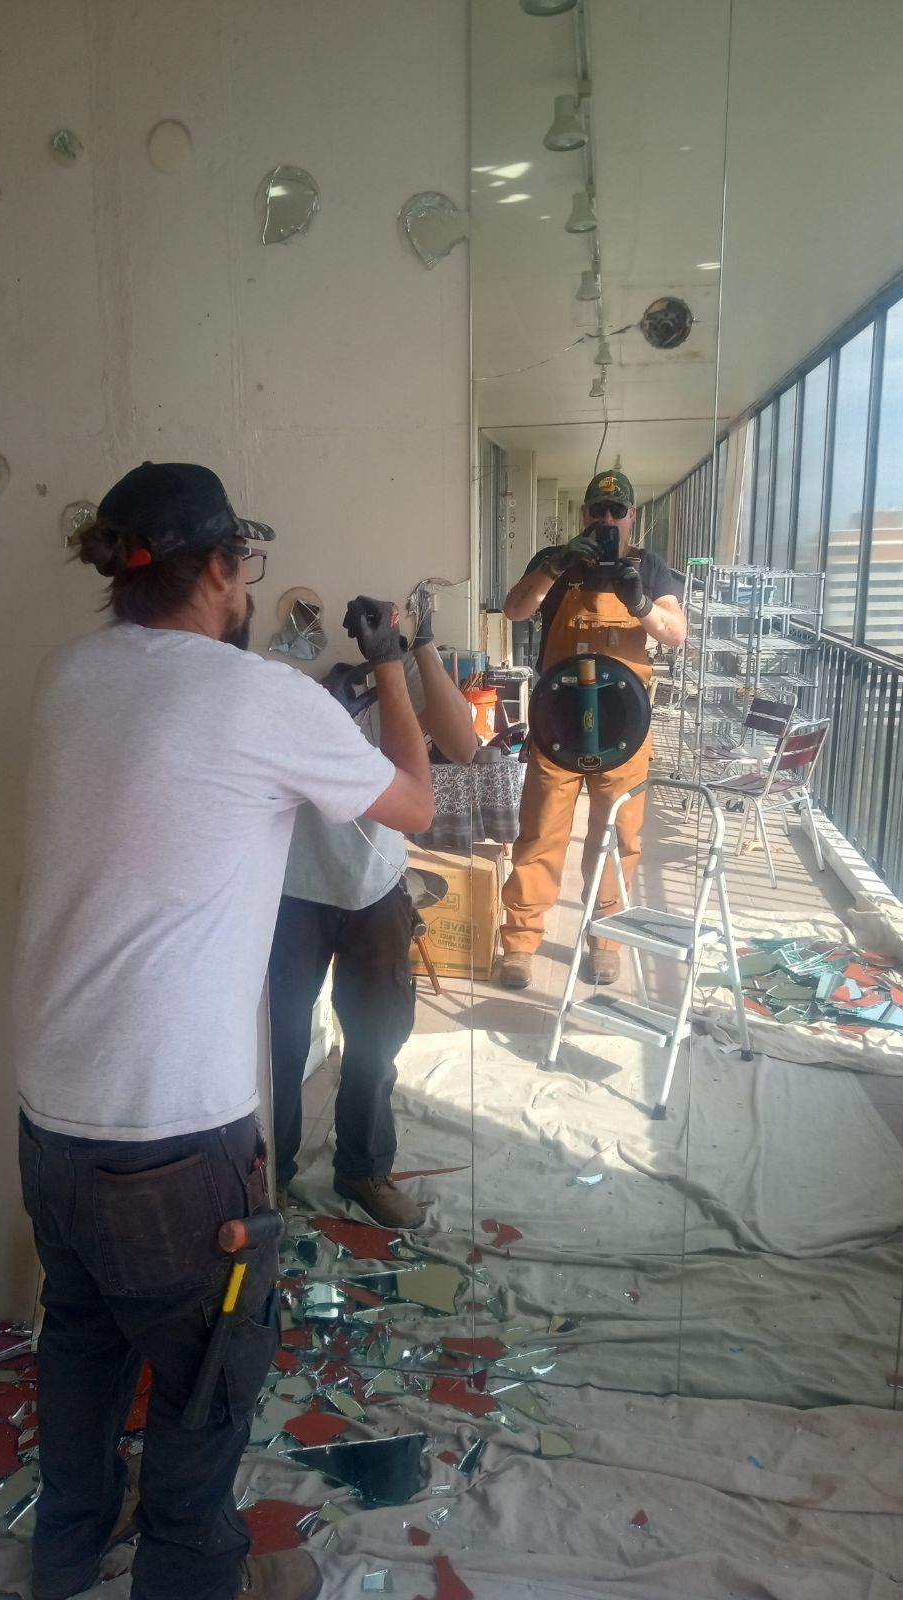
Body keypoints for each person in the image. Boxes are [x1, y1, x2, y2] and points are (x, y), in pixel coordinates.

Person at [12, 461, 433, 1600]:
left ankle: (65, 1560)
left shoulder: (67, 674)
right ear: (216, 568)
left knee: (85, 1346)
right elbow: (414, 799)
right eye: (241, 562)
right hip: (173, 1139)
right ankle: (198, 1572)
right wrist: (389, 657)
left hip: (50, 1121)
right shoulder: (256, 698)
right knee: (211, 1380)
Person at [268, 601, 477, 1230]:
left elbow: (463, 745)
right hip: (286, 886)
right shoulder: (268, 668)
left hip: (375, 881)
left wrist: (407, 650)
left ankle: (363, 1168)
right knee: (275, 1043)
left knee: (376, 1038)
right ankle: (270, 1180)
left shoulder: (393, 665)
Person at [497, 469, 686, 990]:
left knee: (618, 838)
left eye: (616, 511)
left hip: (622, 731)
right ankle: (518, 943)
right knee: (538, 834)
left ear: (631, 516)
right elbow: (515, 609)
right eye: (597, 511)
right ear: (584, 514)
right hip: (558, 724)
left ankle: (605, 943)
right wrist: (555, 566)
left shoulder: (649, 568)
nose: (606, 520)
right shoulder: (556, 562)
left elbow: (676, 634)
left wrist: (640, 602)